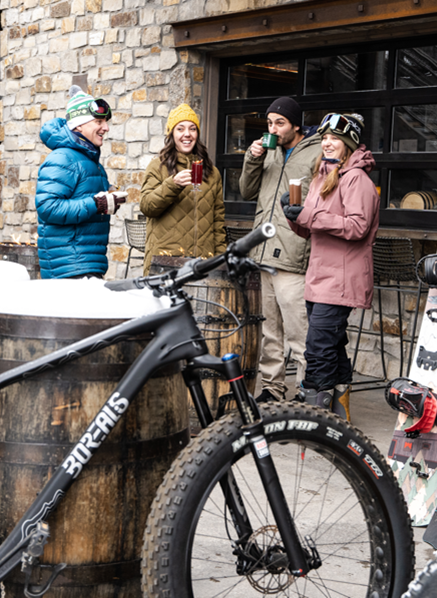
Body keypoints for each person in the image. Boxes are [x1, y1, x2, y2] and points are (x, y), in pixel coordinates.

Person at [283, 113, 379, 421]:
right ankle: (339, 414)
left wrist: (308, 215)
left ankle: (315, 417)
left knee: (319, 347)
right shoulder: (321, 177)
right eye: (324, 138)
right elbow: (310, 230)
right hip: (320, 276)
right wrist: (293, 214)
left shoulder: (357, 179)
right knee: (332, 346)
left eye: (335, 139)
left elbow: (357, 227)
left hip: (342, 279)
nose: (327, 143)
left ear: (348, 145)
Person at [239, 97, 320, 403]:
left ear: (296, 124)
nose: (272, 129)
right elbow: (246, 191)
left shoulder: (314, 152)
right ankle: (272, 388)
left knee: (299, 331)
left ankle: (306, 391)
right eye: (269, 123)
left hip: (292, 252)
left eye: (279, 123)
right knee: (269, 331)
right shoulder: (267, 150)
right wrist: (252, 157)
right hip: (263, 249)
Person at [36, 85, 126, 279]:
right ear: (78, 125)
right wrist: (96, 203)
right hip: (69, 267)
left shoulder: (89, 161)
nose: (106, 127)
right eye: (99, 121)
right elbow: (48, 207)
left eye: (105, 122)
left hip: (85, 264)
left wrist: (108, 197)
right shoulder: (63, 158)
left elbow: (81, 198)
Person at [141, 104, 225, 274]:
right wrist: (172, 185)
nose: (187, 134)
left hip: (202, 263)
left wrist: (220, 260)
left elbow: (218, 222)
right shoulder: (158, 166)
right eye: (180, 128)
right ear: (172, 134)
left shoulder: (212, 173)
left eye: (192, 129)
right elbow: (147, 206)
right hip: (165, 262)